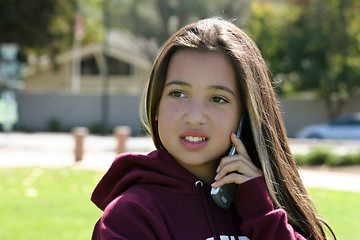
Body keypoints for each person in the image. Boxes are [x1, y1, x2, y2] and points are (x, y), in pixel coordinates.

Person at [91, 18, 336, 240]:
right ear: (156, 106)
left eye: (218, 98)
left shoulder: (263, 207)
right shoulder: (130, 216)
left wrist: (260, 212)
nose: (195, 117)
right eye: (177, 93)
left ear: (246, 114)